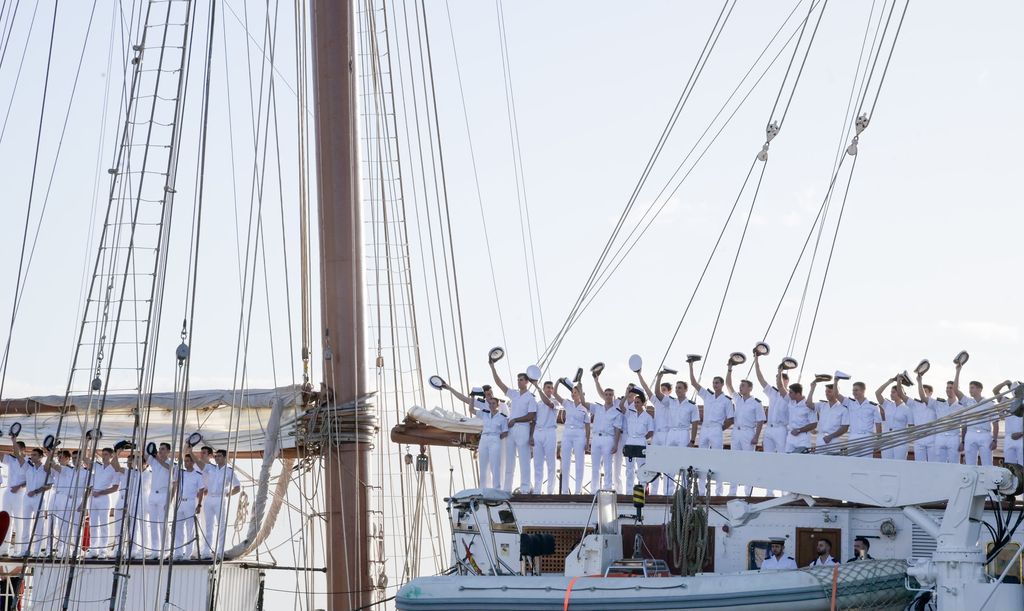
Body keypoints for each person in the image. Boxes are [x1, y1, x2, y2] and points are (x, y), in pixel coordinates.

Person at [636, 370, 699, 495]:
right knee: (668, 463)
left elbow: (695, 423)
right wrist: (659, 376)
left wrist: (692, 440)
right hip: (671, 433)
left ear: (686, 390)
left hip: (683, 432)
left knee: (684, 462)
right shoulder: (671, 401)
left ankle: (685, 492)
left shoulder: (692, 405)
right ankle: (667, 492)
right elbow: (657, 393)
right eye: (676, 388)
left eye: (680, 388)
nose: (677, 390)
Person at [440, 383, 507, 490]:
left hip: (497, 436)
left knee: (498, 464)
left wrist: (498, 436)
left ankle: (499, 488)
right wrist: (449, 388)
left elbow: (506, 420)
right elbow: (464, 399)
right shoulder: (483, 406)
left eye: (491, 393)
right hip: (485, 436)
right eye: (487, 395)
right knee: (483, 465)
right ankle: (484, 488)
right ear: (484, 396)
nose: (489, 396)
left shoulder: (501, 404)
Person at [490, 362, 537, 493]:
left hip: (522, 428)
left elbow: (531, 415)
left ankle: (525, 488)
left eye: (521, 380)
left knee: (524, 460)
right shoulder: (514, 394)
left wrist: (515, 419)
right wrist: (492, 367)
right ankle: (507, 489)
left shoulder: (530, 398)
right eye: (518, 380)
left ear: (527, 382)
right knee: (510, 461)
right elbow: (499, 384)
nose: (518, 382)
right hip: (511, 430)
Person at [725, 368, 764, 495]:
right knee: (734, 462)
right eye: (740, 385)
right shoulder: (737, 399)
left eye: (743, 385)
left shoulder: (756, 403)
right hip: (736, 432)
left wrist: (756, 437)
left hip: (748, 433)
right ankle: (732, 492)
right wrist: (730, 369)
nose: (740, 387)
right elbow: (728, 385)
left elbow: (760, 421)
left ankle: (748, 492)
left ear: (750, 388)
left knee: (748, 463)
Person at [954, 363, 997, 466]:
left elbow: (995, 423)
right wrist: (958, 371)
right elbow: (956, 390)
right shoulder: (968, 402)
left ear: (979, 389)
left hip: (985, 434)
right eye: (970, 388)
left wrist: (995, 440)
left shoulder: (989, 403)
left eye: (972, 388)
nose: (970, 390)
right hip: (971, 434)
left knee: (987, 464)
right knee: (970, 464)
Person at [200, 449, 241, 559]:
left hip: (220, 498)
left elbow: (237, 487)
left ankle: (220, 551)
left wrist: (228, 494)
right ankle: (206, 551)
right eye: (216, 456)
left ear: (224, 458)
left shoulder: (229, 471)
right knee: (209, 526)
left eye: (219, 456)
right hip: (209, 498)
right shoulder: (211, 468)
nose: (216, 458)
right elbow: (200, 464)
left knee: (221, 526)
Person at [552, 382, 590, 495]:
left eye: (575, 392)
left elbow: (587, 426)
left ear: (580, 394)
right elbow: (555, 394)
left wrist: (587, 442)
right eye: (572, 392)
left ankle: (578, 490)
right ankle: (564, 491)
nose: (573, 394)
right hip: (567, 433)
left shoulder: (584, 408)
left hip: (579, 434)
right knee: (565, 462)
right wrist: (559, 381)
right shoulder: (567, 404)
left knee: (579, 462)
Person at [590, 369, 622, 493]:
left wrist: (616, 443)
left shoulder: (616, 410)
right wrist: (596, 381)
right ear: (604, 395)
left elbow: (618, 429)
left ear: (613, 397)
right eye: (606, 394)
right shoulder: (597, 408)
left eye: (610, 395)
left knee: (608, 466)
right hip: (596, 437)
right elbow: (583, 402)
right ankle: (594, 490)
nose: (608, 396)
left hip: (609, 438)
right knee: (595, 466)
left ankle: (608, 488)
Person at [87, 447, 120, 559]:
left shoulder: (114, 469)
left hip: (104, 498)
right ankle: (93, 548)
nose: (103, 456)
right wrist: (88, 443)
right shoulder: (97, 466)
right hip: (93, 497)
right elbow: (85, 459)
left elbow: (115, 488)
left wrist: (101, 492)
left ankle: (103, 550)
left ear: (111, 456)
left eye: (106, 454)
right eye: (102, 454)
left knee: (104, 524)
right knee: (93, 524)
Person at [754, 354, 791, 455]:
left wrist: (780, 372)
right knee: (767, 455)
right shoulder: (772, 392)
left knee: (782, 455)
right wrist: (756, 360)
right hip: (769, 428)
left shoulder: (789, 397)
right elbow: (760, 379)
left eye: (780, 378)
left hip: (781, 429)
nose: (777, 381)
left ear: (787, 381)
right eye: (776, 379)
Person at [173, 450, 206, 560]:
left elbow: (201, 490)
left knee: (190, 529)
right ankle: (178, 553)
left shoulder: (197, 475)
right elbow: (175, 481)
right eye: (185, 461)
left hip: (191, 502)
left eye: (188, 461)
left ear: (192, 463)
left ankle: (187, 554)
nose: (186, 463)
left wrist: (199, 505)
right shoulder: (180, 473)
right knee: (178, 528)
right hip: (180, 502)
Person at [144, 442, 174, 558]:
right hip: (153, 495)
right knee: (153, 523)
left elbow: (169, 468)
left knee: (163, 524)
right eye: (159, 449)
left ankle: (166, 549)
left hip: (163, 495)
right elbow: (146, 456)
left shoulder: (171, 462)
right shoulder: (154, 461)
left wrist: (157, 458)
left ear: (168, 451)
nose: (160, 451)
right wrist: (148, 447)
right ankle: (155, 550)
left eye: (163, 449)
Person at [621, 390, 654, 493]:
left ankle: (643, 490)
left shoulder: (648, 417)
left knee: (642, 468)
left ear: (643, 403)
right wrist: (627, 394)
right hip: (630, 442)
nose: (636, 404)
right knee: (629, 469)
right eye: (635, 402)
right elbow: (621, 405)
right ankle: (629, 491)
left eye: (638, 402)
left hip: (640, 442)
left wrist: (643, 438)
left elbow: (651, 431)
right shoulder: (630, 414)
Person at [21, 448, 51, 556]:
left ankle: (37, 551)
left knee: (39, 525)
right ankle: (24, 550)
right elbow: (17, 455)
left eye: (34, 455)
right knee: (26, 524)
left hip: (38, 498)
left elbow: (49, 485)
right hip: (27, 498)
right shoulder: (28, 467)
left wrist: (36, 491)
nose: (32, 456)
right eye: (31, 454)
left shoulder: (45, 469)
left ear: (40, 457)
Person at [1, 440, 27, 556]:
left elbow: (30, 479)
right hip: (8, 492)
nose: (14, 451)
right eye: (13, 448)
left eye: (16, 448)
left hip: (20, 493)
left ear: (23, 450)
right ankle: (4, 549)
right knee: (7, 520)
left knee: (19, 522)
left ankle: (18, 550)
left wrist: (19, 486)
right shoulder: (11, 459)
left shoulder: (28, 462)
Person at [533, 381, 559, 494]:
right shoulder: (538, 403)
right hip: (538, 432)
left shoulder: (555, 402)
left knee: (551, 463)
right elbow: (534, 420)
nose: (550, 390)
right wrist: (531, 436)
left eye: (551, 388)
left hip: (550, 432)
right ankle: (537, 490)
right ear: (544, 389)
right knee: (537, 463)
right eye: (547, 387)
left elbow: (548, 403)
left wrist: (537, 387)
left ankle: (550, 491)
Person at [875, 377, 911, 460]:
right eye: (891, 392)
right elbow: (877, 393)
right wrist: (889, 381)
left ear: (900, 393)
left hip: (900, 440)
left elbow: (911, 427)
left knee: (899, 464)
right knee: (886, 463)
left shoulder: (907, 409)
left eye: (893, 392)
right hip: (887, 438)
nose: (891, 394)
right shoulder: (887, 404)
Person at [807, 380, 849, 450]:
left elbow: (844, 428)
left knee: (833, 460)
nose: (826, 394)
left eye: (829, 392)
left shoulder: (843, 409)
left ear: (835, 392)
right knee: (819, 460)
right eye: (826, 392)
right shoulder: (822, 405)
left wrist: (831, 436)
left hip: (834, 440)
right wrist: (812, 389)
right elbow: (809, 404)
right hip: (821, 439)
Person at [845, 382, 882, 457]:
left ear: (863, 391)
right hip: (853, 436)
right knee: (851, 462)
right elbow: (837, 395)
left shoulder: (873, 406)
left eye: (856, 390)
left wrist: (878, 442)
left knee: (866, 463)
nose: (854, 392)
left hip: (867, 438)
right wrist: (836, 381)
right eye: (853, 390)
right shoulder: (850, 403)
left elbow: (878, 424)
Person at [907, 372, 938, 462]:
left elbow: (923, 397)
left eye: (926, 391)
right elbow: (902, 395)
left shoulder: (935, 404)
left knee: (933, 465)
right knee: (919, 465)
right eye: (922, 391)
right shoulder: (915, 404)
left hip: (931, 439)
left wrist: (919, 381)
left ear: (931, 393)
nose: (923, 394)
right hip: (919, 439)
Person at [994, 380, 1023, 466]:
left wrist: (1021, 433)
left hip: (1021, 437)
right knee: (1010, 466)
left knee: (1022, 465)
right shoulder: (1006, 402)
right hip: (1009, 437)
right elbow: (995, 391)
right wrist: (1004, 383)